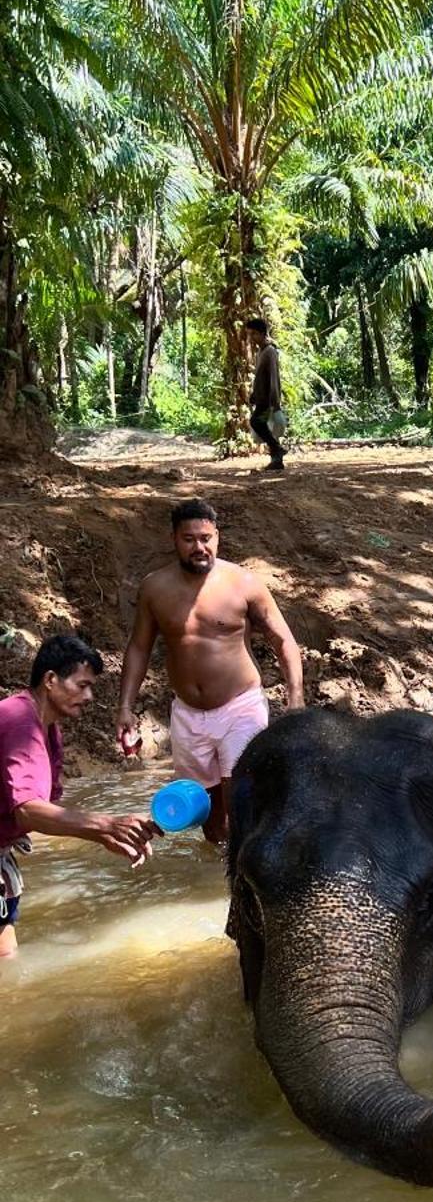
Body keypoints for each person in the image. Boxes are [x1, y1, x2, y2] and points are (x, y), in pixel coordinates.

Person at [116, 499, 304, 845]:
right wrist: (126, 707)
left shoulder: (244, 584)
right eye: (189, 539)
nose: (199, 547)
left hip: (240, 707)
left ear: (217, 536)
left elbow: (284, 641)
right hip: (188, 714)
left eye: (206, 538)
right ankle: (216, 883)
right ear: (174, 539)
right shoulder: (154, 588)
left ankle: (250, 873)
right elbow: (139, 647)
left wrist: (295, 702)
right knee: (207, 813)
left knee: (242, 797)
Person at [1, 634, 156, 958]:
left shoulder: (48, 728)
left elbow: (40, 810)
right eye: (82, 685)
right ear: (51, 680)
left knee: (6, 957)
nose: (89, 696)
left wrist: (103, 836)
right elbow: (28, 811)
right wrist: (105, 825)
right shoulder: (19, 720)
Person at [247, 317, 286, 471]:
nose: (252, 338)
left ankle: (277, 450)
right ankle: (277, 459)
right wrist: (254, 394)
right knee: (261, 425)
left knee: (257, 422)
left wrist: (273, 401)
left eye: (254, 334)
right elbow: (260, 378)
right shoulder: (261, 352)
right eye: (250, 334)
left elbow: (273, 378)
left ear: (263, 334)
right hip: (262, 399)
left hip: (268, 400)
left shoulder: (270, 352)